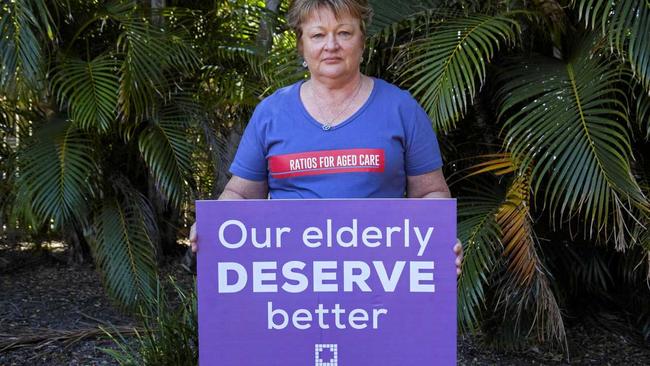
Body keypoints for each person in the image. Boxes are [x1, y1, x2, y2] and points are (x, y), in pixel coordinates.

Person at [190, 0, 462, 274]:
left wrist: (439, 243)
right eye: (318, 35)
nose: (331, 45)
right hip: (289, 280)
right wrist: (214, 223)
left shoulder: (401, 108)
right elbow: (242, 195)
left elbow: (429, 192)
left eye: (344, 33)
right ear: (301, 45)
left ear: (362, 41)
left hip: (383, 278)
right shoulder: (271, 113)